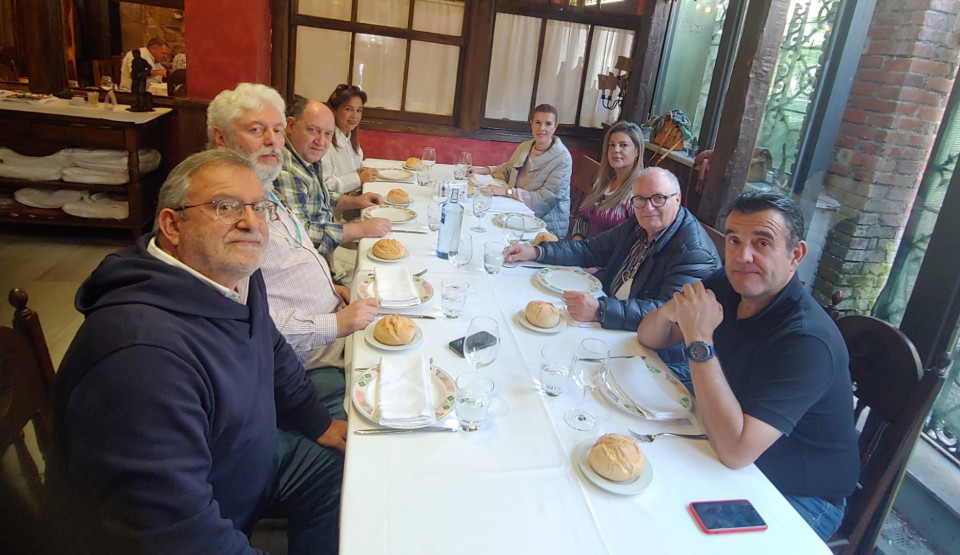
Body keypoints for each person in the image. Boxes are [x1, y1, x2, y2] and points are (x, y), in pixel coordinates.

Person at [47, 149, 347, 555]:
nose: (250, 222)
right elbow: (177, 536)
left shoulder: (233, 274)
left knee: (349, 469)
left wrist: (316, 422)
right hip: (208, 509)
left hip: (240, 465)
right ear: (172, 224)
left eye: (259, 207)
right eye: (227, 206)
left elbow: (270, 346)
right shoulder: (140, 359)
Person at [635, 191, 859, 540]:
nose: (744, 256)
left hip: (796, 494)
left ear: (795, 255)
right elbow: (650, 336)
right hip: (726, 436)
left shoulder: (807, 341)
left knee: (671, 537)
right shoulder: (728, 284)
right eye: (735, 240)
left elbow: (735, 451)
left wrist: (698, 339)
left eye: (763, 242)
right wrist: (675, 308)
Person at [207, 83, 380, 395]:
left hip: (334, 325)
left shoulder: (264, 189)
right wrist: (337, 324)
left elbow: (292, 259)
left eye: (275, 130)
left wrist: (330, 289)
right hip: (310, 364)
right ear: (221, 138)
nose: (273, 141)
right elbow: (245, 326)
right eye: (257, 130)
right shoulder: (223, 215)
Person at [504, 167, 719, 377]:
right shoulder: (638, 225)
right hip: (615, 328)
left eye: (659, 198)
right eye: (640, 199)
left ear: (678, 199)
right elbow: (590, 249)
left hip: (657, 359)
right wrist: (537, 251)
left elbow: (667, 312)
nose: (648, 207)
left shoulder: (694, 252)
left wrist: (602, 310)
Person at [274, 97, 391, 257]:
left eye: (328, 134)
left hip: (327, 243)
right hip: (311, 258)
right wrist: (361, 229)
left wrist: (356, 201)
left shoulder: (306, 157)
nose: (320, 141)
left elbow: (320, 196)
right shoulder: (285, 170)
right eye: (313, 130)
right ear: (291, 126)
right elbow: (301, 236)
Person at [469, 104, 572, 237]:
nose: (542, 128)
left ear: (555, 126)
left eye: (548, 124)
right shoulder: (525, 146)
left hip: (544, 226)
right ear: (531, 124)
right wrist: (482, 170)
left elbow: (545, 199)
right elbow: (508, 168)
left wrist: (507, 192)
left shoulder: (563, 159)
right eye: (538, 123)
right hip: (516, 212)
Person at [570, 121, 644, 240]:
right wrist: (577, 240)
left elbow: (638, 239)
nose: (616, 150)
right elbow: (584, 218)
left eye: (623, 145)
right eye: (612, 145)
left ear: (637, 151)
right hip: (583, 250)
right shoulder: (603, 182)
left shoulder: (638, 194)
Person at [321, 84, 378, 194]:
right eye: (349, 109)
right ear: (334, 110)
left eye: (359, 110)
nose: (355, 116)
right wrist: (358, 179)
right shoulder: (325, 144)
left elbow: (354, 166)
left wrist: (361, 171)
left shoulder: (350, 139)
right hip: (338, 208)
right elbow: (325, 186)